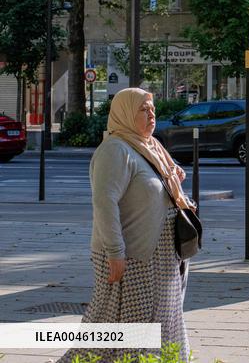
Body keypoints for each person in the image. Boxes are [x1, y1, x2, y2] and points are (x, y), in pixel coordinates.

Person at [58, 88, 193, 363]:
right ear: (125, 114)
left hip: (162, 254)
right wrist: (115, 252)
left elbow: (156, 183)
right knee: (117, 321)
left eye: (152, 108)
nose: (151, 114)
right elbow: (104, 203)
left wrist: (174, 175)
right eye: (143, 109)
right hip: (130, 255)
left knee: (162, 317)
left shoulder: (150, 146)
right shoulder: (115, 150)